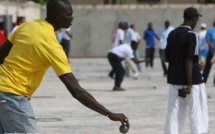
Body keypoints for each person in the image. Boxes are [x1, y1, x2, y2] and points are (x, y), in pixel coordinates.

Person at [0, 0, 130, 133]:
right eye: (69, 14)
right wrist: (109, 113)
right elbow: (76, 91)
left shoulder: (28, 26)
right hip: (13, 96)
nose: (72, 17)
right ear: (57, 15)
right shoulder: (51, 44)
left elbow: (1, 54)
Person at [164, 7, 208, 134]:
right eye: (197, 19)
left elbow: (167, 57)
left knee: (174, 116)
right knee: (197, 116)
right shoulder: (192, 34)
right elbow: (188, 60)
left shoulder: (172, 34)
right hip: (193, 82)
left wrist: (195, 63)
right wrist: (189, 84)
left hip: (175, 81)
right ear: (194, 18)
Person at [203, 20, 215, 85]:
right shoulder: (210, 30)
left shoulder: (210, 30)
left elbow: (207, 40)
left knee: (207, 67)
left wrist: (212, 47)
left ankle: (204, 81)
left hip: (211, 51)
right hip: (212, 51)